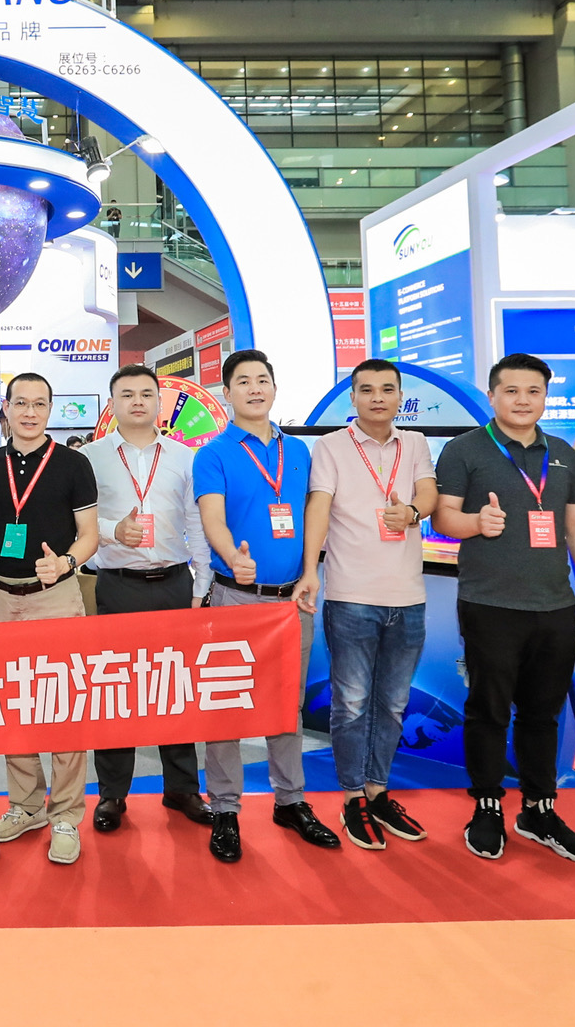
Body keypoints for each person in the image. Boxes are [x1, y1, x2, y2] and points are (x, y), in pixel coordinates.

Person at [432, 353, 575, 866]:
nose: (523, 400)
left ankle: (539, 810)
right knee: (487, 709)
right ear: (492, 396)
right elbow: (442, 517)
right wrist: (475, 524)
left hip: (554, 605)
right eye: (511, 391)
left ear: (545, 397)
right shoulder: (465, 449)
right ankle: (487, 806)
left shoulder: (562, 454)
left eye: (534, 391)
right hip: (489, 603)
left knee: (542, 713)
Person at [194, 349, 336, 863]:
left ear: (274, 388)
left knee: (286, 704)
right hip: (234, 597)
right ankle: (225, 809)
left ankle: (290, 801)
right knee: (226, 707)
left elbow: (313, 516)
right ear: (227, 393)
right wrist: (233, 556)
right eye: (243, 382)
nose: (254, 389)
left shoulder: (298, 450)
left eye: (262, 380)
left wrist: (310, 571)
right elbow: (212, 518)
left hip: (291, 600)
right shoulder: (213, 454)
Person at [295, 358, 438, 851]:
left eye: (387, 389)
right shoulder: (331, 446)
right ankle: (353, 796)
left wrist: (413, 512)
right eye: (367, 390)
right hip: (351, 596)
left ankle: (378, 792)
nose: (378, 397)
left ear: (400, 397)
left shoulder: (414, 443)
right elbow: (318, 507)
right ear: (353, 398)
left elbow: (428, 492)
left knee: (393, 705)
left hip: (408, 598)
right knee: (352, 705)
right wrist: (310, 570)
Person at [0, 372, 99, 865]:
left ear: (50, 409)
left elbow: (89, 535)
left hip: (56, 596)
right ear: (5, 407)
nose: (30, 412)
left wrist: (65, 562)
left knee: (63, 707)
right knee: (14, 705)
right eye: (20, 403)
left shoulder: (73, 463)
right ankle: (26, 805)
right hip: (2, 598)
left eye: (39, 404)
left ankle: (65, 813)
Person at [85, 363, 212, 832]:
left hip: (175, 583)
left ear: (159, 402)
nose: (137, 401)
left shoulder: (185, 457)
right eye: (127, 394)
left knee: (176, 689)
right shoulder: (91, 458)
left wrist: (201, 582)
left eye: (145, 394)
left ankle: (182, 788)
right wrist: (110, 531)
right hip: (118, 585)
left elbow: (196, 521)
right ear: (112, 403)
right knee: (116, 690)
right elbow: (79, 521)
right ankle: (112, 794)